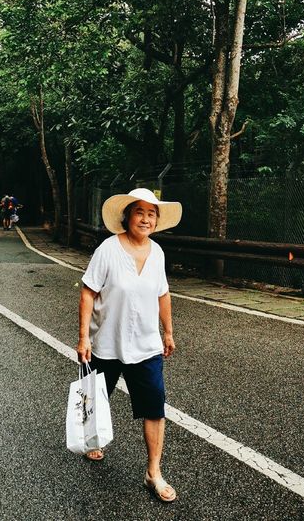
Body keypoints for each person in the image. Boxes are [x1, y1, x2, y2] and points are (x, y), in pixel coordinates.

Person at [77, 187, 182, 503]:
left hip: (146, 345)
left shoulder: (158, 253)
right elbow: (87, 293)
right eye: (140, 212)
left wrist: (168, 332)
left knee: (154, 406)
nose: (146, 219)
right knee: (96, 397)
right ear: (127, 216)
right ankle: (93, 439)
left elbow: (163, 294)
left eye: (152, 214)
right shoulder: (108, 249)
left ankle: (153, 471)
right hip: (106, 342)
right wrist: (83, 337)